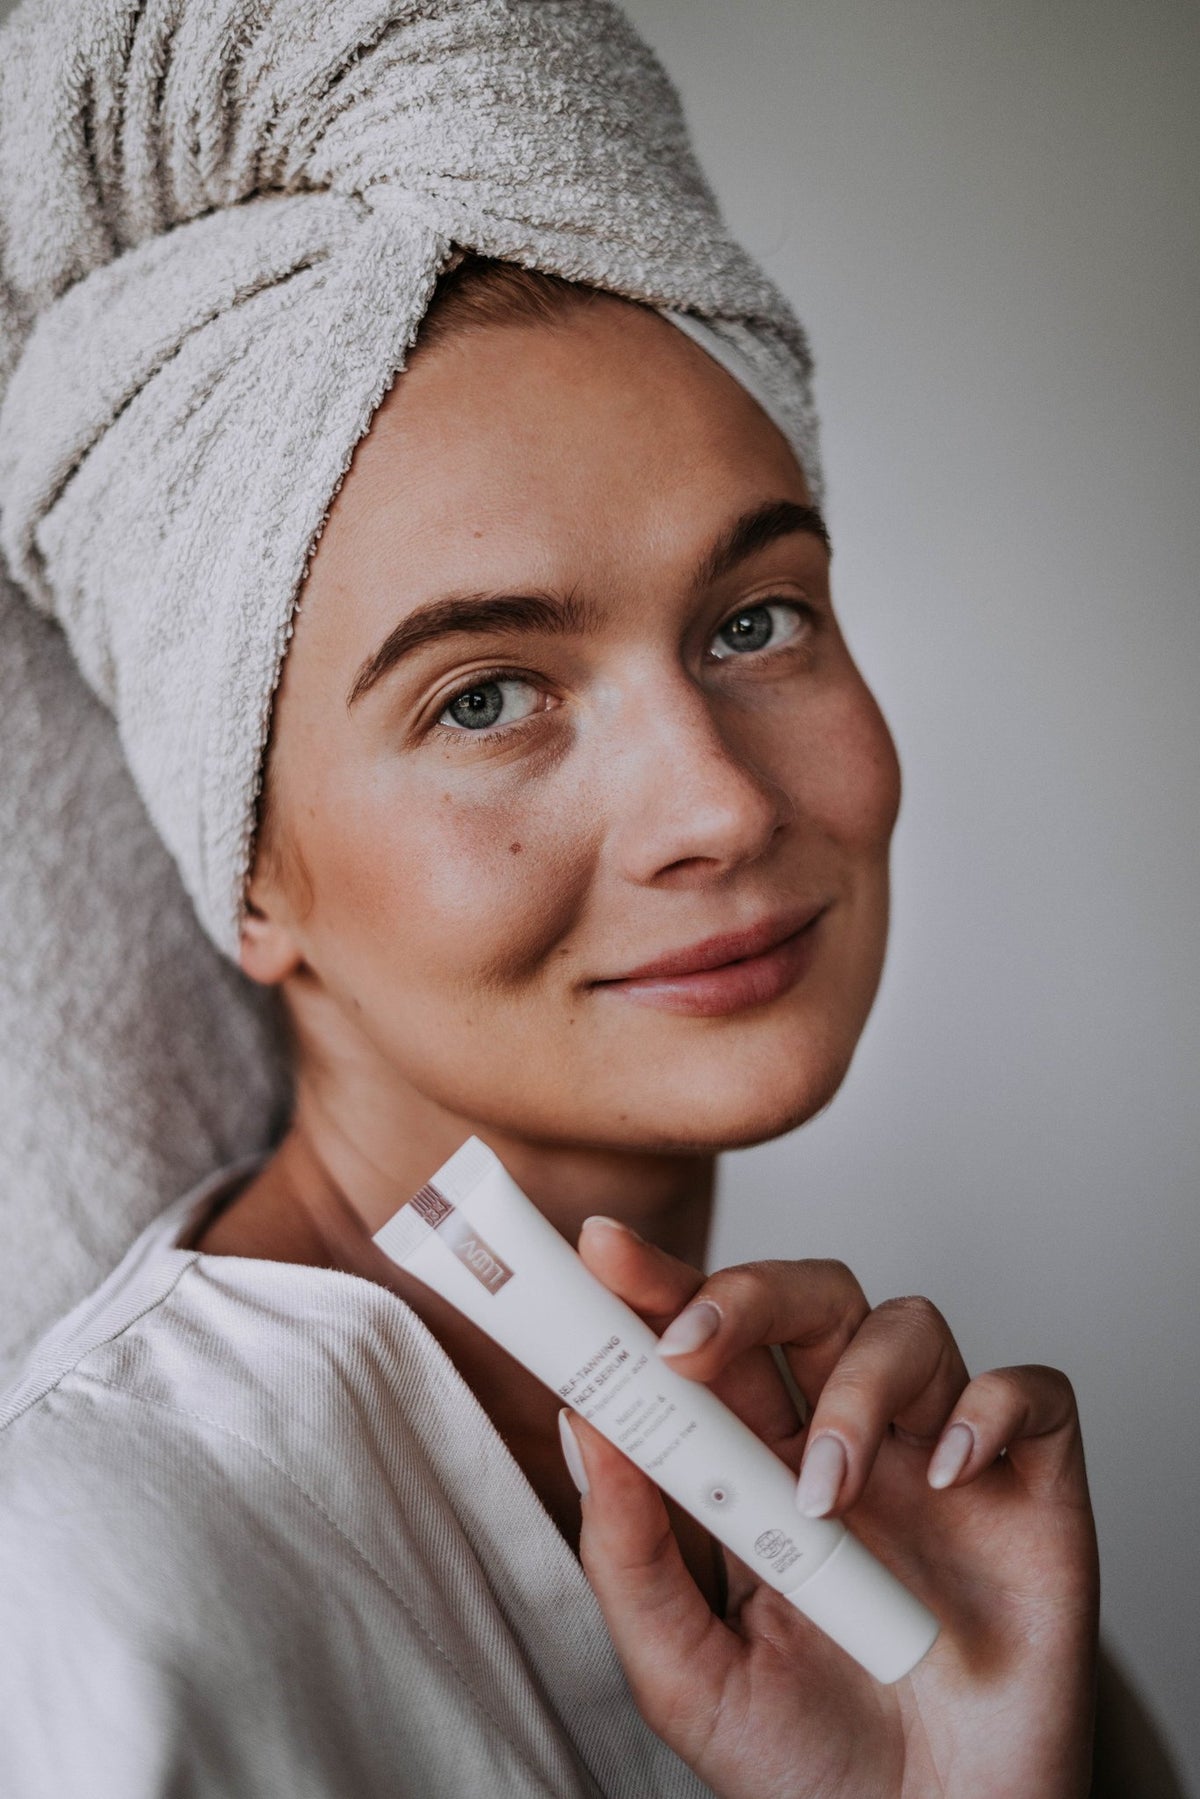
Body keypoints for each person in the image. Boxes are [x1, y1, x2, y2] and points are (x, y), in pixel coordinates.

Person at [0, 2, 1182, 1795]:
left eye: (755, 620)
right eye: (484, 696)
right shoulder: (92, 1617)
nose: (714, 800)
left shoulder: (899, 1562)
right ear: (244, 873)